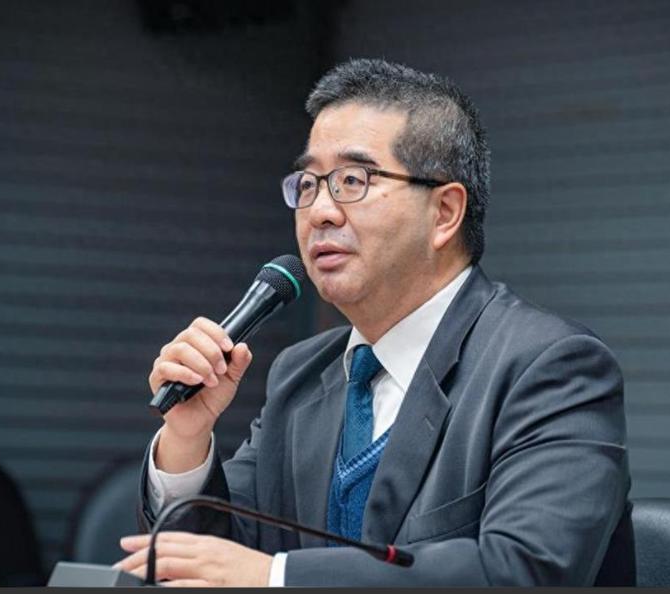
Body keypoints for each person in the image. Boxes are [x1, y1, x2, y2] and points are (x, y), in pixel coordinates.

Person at [115, 59, 634, 587]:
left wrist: (279, 578)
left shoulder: (548, 367)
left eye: (352, 180)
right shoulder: (301, 375)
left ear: (445, 213)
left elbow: (528, 569)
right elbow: (217, 562)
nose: (320, 211)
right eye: (309, 183)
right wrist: (187, 438)